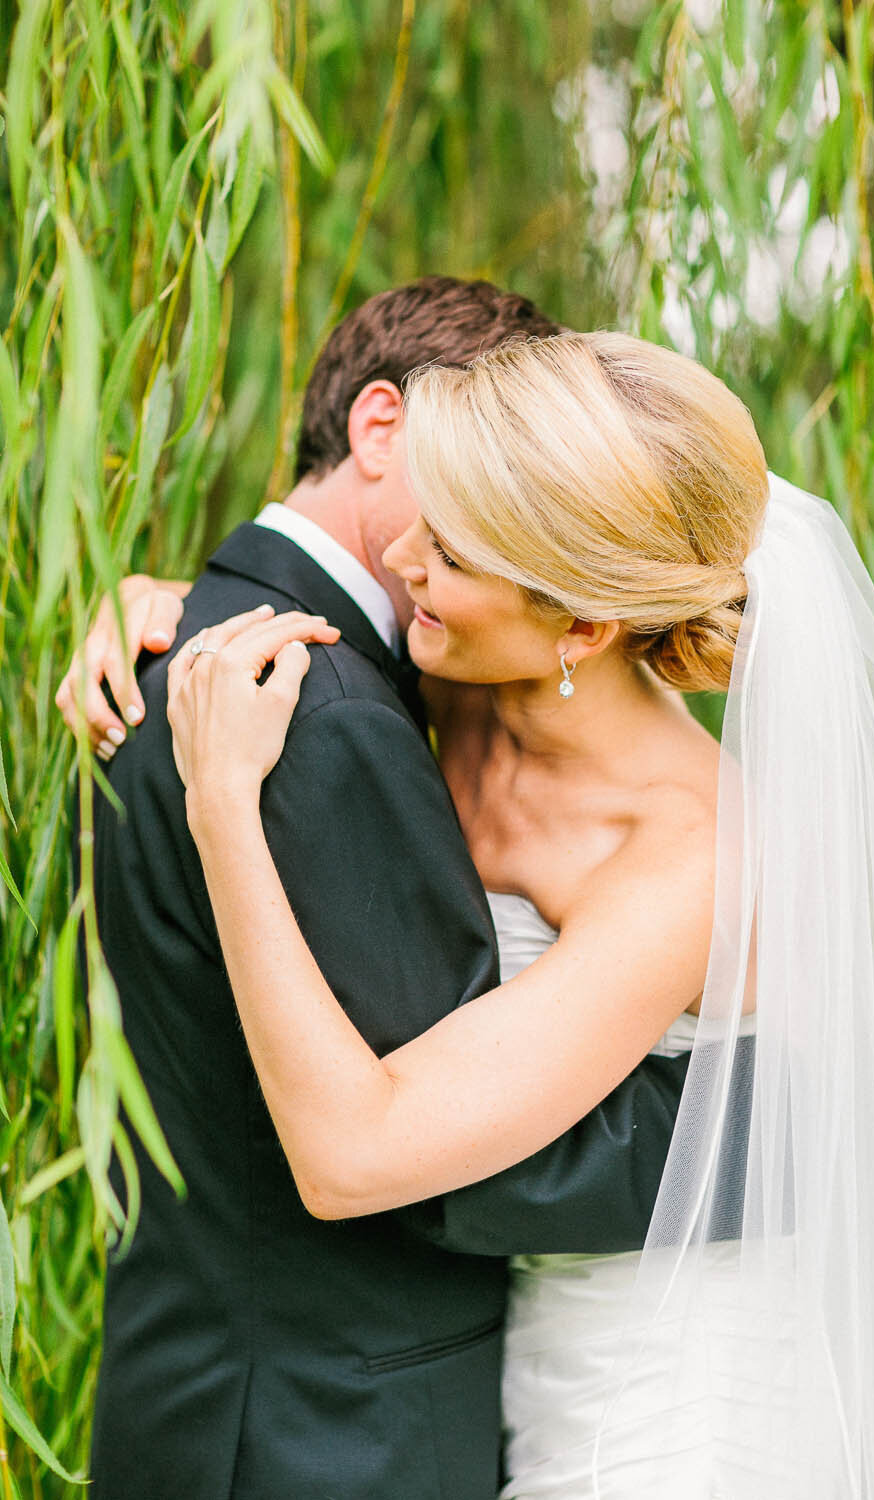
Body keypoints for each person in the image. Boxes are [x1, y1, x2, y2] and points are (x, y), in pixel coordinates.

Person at [77, 330, 874, 1496]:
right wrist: (174, 609)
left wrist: (222, 813)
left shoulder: (687, 856)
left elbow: (355, 1153)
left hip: (668, 1389)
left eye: (448, 549)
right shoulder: (477, 685)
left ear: (580, 629)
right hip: (515, 1356)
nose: (399, 556)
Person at [59, 285, 700, 1500]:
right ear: (381, 430)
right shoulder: (325, 712)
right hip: (324, 1434)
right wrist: (741, 1131)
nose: (427, 550)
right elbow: (412, 1145)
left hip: (208, 1399)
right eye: (478, 466)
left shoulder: (201, 648)